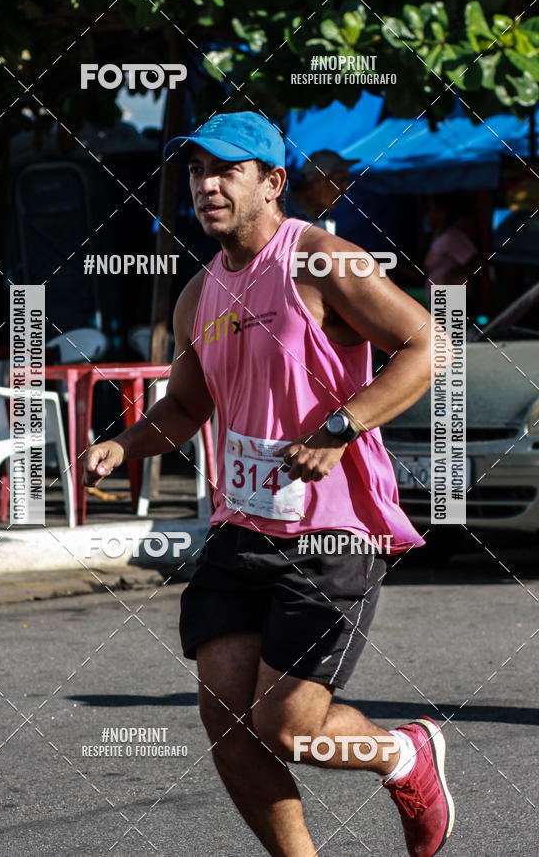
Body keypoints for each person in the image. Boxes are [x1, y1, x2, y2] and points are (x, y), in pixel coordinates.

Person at [83, 111, 455, 857]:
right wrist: (122, 447)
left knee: (289, 728)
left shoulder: (321, 261)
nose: (206, 185)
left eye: (226, 170)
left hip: (332, 530)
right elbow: (188, 406)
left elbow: (427, 344)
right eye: (195, 172)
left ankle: (403, 752)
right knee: (226, 721)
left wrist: (342, 427)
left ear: (273, 182)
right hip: (244, 528)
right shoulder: (199, 296)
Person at [286, 149, 358, 234]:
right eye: (340, 181)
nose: (347, 189)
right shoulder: (280, 209)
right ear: (318, 180)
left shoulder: (327, 220)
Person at [424, 192, 477, 304]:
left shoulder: (452, 237)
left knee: (447, 322)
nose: (427, 214)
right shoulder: (438, 238)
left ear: (442, 213)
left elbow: (475, 261)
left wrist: (453, 274)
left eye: (430, 209)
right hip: (440, 297)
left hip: (450, 297)